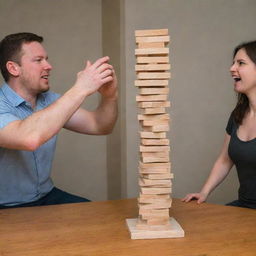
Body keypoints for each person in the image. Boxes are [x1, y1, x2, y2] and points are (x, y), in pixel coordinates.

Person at [0, 32, 118, 208]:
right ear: (14, 68)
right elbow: (29, 138)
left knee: (96, 215)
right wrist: (81, 89)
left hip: (47, 196)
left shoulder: (51, 101)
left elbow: (101, 125)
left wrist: (110, 97)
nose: (48, 66)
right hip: (7, 206)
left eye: (46, 59)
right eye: (38, 60)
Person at [182, 40, 256, 209]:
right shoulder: (238, 115)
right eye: (233, 63)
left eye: (241, 63)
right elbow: (224, 160)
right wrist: (204, 193)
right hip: (244, 208)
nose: (232, 69)